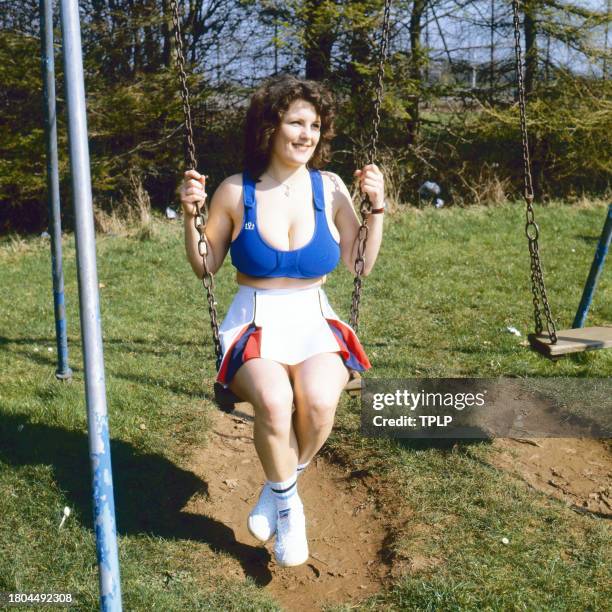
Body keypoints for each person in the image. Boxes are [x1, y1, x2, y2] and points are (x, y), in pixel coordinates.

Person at [179, 74, 385, 567]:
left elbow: (360, 263)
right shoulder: (235, 191)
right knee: (274, 401)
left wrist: (377, 207)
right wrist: (189, 217)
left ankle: (277, 485)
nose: (306, 134)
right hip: (255, 321)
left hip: (314, 317)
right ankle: (290, 508)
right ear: (270, 127)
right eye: (295, 122)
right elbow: (205, 264)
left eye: (314, 125)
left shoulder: (331, 188)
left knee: (317, 402)